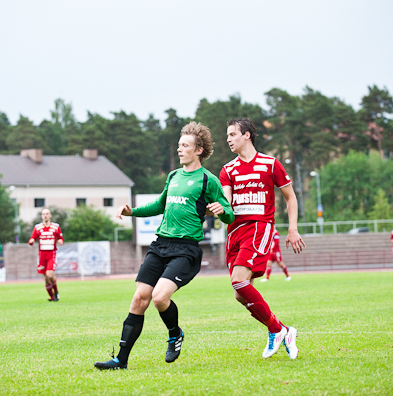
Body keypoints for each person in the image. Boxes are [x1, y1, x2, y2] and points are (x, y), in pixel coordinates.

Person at [94, 122, 234, 370]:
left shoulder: (207, 180)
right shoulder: (173, 176)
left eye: (185, 145)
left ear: (199, 150)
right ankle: (120, 361)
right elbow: (159, 205)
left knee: (159, 298)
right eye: (179, 145)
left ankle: (175, 333)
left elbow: (230, 215)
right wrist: (132, 212)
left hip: (186, 249)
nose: (180, 149)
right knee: (139, 299)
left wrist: (223, 210)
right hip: (160, 245)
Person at [220, 118, 305, 360]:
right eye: (227, 135)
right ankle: (282, 330)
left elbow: (290, 197)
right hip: (234, 232)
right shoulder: (227, 170)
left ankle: (277, 330)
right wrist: (213, 207)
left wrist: (293, 229)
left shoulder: (270, 164)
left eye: (232, 134)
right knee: (240, 292)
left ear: (247, 135)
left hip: (259, 227)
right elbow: (226, 203)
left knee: (238, 281)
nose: (228, 139)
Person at [29, 208, 64, 302]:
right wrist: (31, 241)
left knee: (50, 274)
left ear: (50, 215)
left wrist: (60, 241)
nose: (45, 215)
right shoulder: (37, 227)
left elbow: (60, 238)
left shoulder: (56, 227)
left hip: (51, 253)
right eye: (44, 214)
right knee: (45, 277)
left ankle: (56, 291)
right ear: (41, 216)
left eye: (47, 213)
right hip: (41, 255)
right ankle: (52, 297)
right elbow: (32, 238)